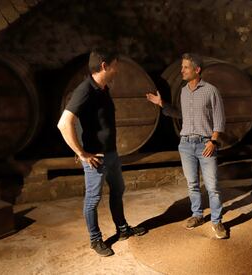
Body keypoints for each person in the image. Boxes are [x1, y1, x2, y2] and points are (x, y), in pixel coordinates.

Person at [57, 48, 146, 257]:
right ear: (104, 66)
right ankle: (95, 239)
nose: (118, 69)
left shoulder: (102, 88)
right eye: (115, 64)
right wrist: (82, 153)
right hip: (96, 158)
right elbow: (64, 123)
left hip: (111, 154)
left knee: (118, 190)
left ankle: (122, 229)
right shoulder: (85, 89)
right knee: (92, 199)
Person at [146, 53, 227, 239]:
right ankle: (197, 215)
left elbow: (220, 119)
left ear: (197, 70)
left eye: (185, 67)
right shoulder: (183, 90)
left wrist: (213, 141)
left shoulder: (211, 90)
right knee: (192, 185)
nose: (181, 70)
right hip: (186, 144)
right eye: (181, 67)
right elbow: (180, 115)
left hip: (206, 144)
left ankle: (217, 221)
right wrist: (161, 103)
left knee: (212, 186)